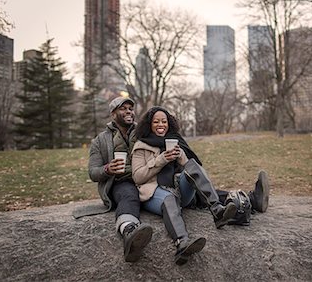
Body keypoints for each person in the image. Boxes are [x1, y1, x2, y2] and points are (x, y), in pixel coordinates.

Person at [131, 106, 269, 265]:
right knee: (169, 199)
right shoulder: (141, 146)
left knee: (193, 166)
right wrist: (161, 159)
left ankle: (217, 209)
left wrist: (180, 155)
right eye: (156, 122)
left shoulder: (174, 141)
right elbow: (138, 177)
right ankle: (182, 243)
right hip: (155, 193)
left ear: (169, 123)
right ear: (149, 125)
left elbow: (190, 169)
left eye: (164, 121)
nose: (160, 124)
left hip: (178, 191)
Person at [80, 96, 153, 263]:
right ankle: (129, 232)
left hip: (145, 178)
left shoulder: (143, 133)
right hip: (120, 183)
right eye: (123, 108)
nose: (128, 111)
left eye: (130, 108)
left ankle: (219, 202)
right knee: (129, 194)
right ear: (113, 114)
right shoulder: (100, 140)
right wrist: (107, 169)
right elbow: (93, 172)